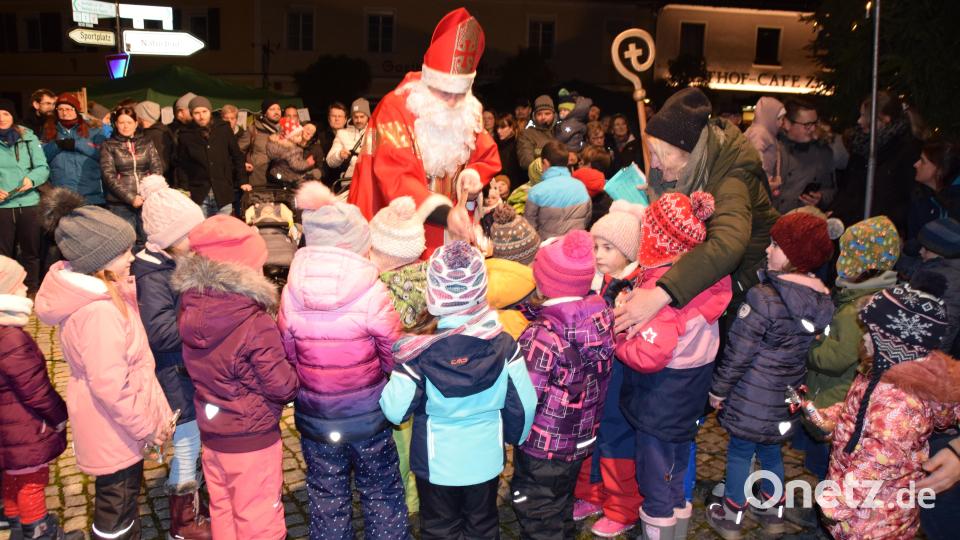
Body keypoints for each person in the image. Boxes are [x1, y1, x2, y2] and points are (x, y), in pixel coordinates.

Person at [36, 188, 173, 540]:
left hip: (115, 424)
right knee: (117, 510)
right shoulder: (98, 313)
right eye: (123, 251)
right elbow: (111, 385)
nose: (132, 257)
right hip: (116, 427)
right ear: (98, 259)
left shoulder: (106, 294)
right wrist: (146, 426)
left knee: (122, 502)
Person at [379, 240, 537, 540]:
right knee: (483, 525)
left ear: (433, 291)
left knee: (439, 528)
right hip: (486, 459)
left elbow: (394, 410)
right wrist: (515, 437)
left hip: (436, 463)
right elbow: (525, 404)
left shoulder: (417, 351)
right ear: (480, 290)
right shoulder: (504, 344)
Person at [278, 182, 408, 539]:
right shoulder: (372, 289)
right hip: (368, 417)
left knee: (326, 493)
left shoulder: (292, 290)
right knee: (381, 490)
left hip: (316, 418)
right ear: (356, 243)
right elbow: (392, 353)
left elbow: (288, 352)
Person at [705, 212, 834, 539]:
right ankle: (774, 512)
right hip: (787, 396)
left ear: (796, 256)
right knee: (772, 449)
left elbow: (739, 352)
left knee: (740, 451)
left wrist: (719, 390)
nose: (767, 249)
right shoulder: (820, 300)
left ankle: (732, 516)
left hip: (752, 396)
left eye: (776, 245)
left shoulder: (764, 297)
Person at [613, 88, 779, 340]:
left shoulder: (731, 178)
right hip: (709, 280)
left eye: (658, 155)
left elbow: (727, 245)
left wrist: (661, 294)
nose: (654, 164)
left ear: (685, 153)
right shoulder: (693, 167)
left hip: (742, 293)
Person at [171, 215, 298, 540]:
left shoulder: (190, 307)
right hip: (251, 440)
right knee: (260, 521)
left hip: (213, 434)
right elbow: (282, 386)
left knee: (224, 510)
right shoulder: (253, 322)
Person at [799, 281, 958, 540]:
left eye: (870, 333)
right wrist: (832, 417)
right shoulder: (879, 374)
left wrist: (836, 503)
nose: (862, 337)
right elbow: (863, 410)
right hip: (861, 508)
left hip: (877, 516)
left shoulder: (901, 405)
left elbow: (878, 460)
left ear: (892, 342)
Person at [617, 192, 732, 540]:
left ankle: (659, 526)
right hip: (692, 386)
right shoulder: (704, 278)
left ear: (657, 237)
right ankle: (677, 522)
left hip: (661, 393)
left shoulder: (660, 290)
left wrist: (618, 335)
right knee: (678, 456)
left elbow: (649, 354)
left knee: (654, 468)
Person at [347, 8, 501, 254]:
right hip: (402, 233)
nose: (452, 102)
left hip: (455, 228)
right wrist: (445, 214)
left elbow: (485, 156)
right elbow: (394, 175)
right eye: (444, 92)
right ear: (428, 82)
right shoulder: (395, 107)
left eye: (459, 93)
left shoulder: (468, 109)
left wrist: (471, 175)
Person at [511, 230, 615, 540]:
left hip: (543, 447)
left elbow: (525, 396)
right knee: (560, 500)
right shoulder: (602, 318)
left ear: (543, 282)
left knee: (537, 510)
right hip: (581, 438)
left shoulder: (541, 338)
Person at [130, 175, 211, 539]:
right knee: (187, 443)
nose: (197, 240)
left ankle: (197, 504)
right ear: (168, 239)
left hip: (189, 370)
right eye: (190, 234)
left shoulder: (177, 260)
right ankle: (184, 522)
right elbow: (160, 333)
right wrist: (201, 320)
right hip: (173, 374)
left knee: (196, 442)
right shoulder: (152, 275)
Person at [801, 216, 900, 480]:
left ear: (859, 262)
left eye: (846, 253)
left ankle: (820, 516)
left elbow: (837, 358)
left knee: (830, 466)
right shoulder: (875, 295)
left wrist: (809, 347)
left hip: (836, 397)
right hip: (841, 394)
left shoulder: (856, 310)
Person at [0, 256, 77, 540]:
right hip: (24, 426)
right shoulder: (11, 339)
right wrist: (58, 414)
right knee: (32, 480)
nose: (25, 290)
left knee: (13, 474)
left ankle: (15, 521)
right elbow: (34, 389)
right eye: (19, 285)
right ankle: (39, 530)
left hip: (7, 429)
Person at [832, 90, 921, 235]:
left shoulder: (906, 150)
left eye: (864, 116)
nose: (859, 121)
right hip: (853, 226)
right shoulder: (861, 145)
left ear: (884, 119)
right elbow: (848, 187)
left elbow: (904, 197)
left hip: (882, 232)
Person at [0, 98, 49, 293]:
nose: (1, 118)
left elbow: (42, 167)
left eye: (5, 113)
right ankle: (5, 292)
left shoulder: (28, 137)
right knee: (3, 254)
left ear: (13, 116)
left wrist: (31, 179)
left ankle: (31, 290)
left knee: (31, 251)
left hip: (29, 202)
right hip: (2, 206)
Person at [99, 105, 163, 249]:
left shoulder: (147, 142)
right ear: (116, 124)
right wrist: (130, 197)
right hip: (120, 204)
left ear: (135, 123)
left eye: (129, 122)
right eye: (121, 122)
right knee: (125, 244)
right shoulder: (109, 145)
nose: (125, 126)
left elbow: (157, 168)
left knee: (149, 241)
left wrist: (148, 193)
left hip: (146, 201)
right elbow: (108, 175)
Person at [176, 96, 250, 217]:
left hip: (223, 192)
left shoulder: (223, 129)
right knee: (201, 232)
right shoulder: (185, 134)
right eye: (196, 113)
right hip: (198, 193)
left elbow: (237, 156)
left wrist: (242, 180)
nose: (201, 116)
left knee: (223, 233)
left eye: (204, 111)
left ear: (210, 111)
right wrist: (184, 189)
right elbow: (183, 165)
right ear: (191, 114)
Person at [771, 98, 836, 213]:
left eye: (815, 123)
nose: (813, 129)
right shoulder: (771, 148)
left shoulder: (823, 153)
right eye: (807, 125)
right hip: (767, 223)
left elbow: (830, 189)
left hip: (802, 223)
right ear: (786, 123)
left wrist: (820, 198)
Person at [41, 92, 105, 206]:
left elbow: (102, 154)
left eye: (69, 109)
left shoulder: (94, 130)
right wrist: (57, 145)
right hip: (61, 195)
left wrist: (77, 144)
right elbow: (41, 158)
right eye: (60, 109)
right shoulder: (48, 130)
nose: (65, 113)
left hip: (91, 194)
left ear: (77, 110)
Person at [524, 140, 591, 239]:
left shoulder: (536, 192)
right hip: (576, 247)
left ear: (545, 163)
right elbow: (587, 218)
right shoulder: (581, 187)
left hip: (547, 250)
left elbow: (530, 228)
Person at [907, 140, 960, 243]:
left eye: (922, 161)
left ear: (939, 170)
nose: (916, 164)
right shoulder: (919, 197)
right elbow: (913, 239)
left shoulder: (956, 201)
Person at [326, 98, 370, 182]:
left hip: (369, 182)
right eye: (356, 117)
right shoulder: (342, 133)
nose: (359, 120)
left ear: (368, 116)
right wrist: (339, 155)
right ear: (351, 117)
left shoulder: (376, 133)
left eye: (362, 117)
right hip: (349, 183)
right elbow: (330, 162)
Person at [743, 96, 784, 186]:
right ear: (770, 117)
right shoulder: (759, 133)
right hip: (758, 183)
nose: (782, 122)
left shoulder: (767, 134)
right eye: (779, 118)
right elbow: (756, 159)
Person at [265, 117, 316, 186]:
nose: (300, 137)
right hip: (288, 178)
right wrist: (307, 163)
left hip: (275, 174)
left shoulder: (278, 145)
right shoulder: (292, 150)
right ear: (290, 137)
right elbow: (296, 165)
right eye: (298, 136)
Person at [244, 98, 283, 188]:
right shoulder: (253, 129)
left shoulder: (284, 131)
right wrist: (244, 164)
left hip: (280, 181)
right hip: (258, 181)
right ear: (265, 113)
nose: (276, 112)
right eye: (272, 109)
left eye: (278, 109)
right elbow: (238, 151)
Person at [134, 101, 175, 179]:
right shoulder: (160, 130)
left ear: (141, 116)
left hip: (157, 181)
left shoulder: (155, 134)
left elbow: (162, 162)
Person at [517, 95, 558, 170]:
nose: (543, 117)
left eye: (547, 114)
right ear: (534, 116)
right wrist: (544, 168)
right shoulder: (527, 134)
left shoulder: (561, 130)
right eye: (539, 114)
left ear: (554, 115)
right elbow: (525, 160)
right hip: (539, 178)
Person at [315, 102, 348, 182]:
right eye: (333, 116)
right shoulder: (320, 137)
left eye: (340, 116)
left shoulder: (352, 136)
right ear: (329, 119)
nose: (336, 119)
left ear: (345, 119)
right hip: (326, 181)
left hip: (347, 181)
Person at [556, 89, 592, 153]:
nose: (562, 112)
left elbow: (563, 136)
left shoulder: (571, 123)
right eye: (560, 110)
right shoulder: (574, 121)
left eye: (565, 110)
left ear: (571, 111)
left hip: (569, 150)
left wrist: (555, 140)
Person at [495, 113, 525, 189]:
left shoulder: (518, 145)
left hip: (514, 188)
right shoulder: (497, 144)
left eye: (503, 127)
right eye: (498, 127)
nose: (499, 131)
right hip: (499, 186)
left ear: (511, 127)